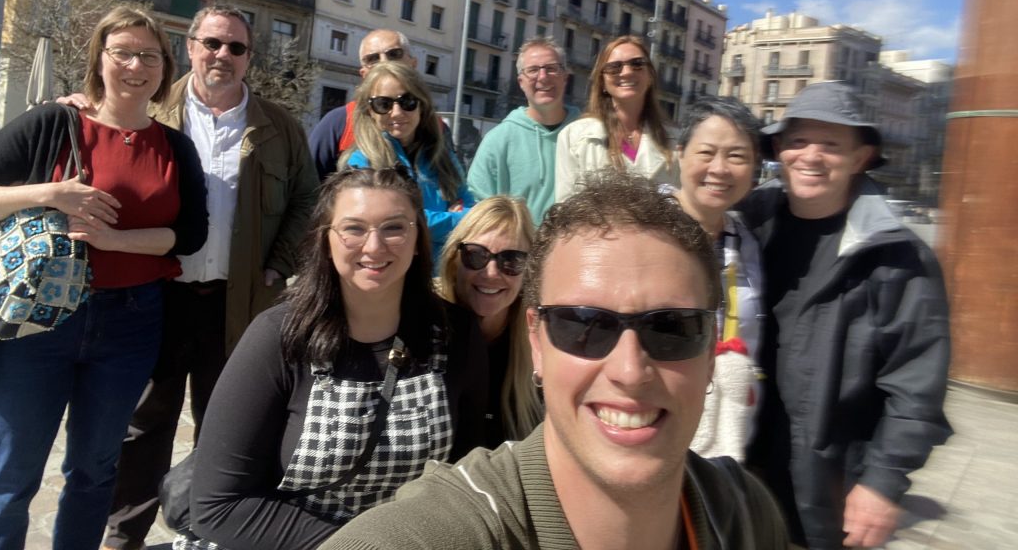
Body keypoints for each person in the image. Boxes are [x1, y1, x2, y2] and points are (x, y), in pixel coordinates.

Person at [322, 172, 788, 550]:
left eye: (671, 328)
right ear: (538, 341)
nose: (629, 370)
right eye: (584, 325)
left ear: (711, 352)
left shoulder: (744, 515)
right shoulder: (456, 525)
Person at [100, 5, 319, 550]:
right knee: (143, 422)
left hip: (240, 301)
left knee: (228, 427)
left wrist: (281, 263)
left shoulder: (279, 127)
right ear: (191, 45)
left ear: (249, 58)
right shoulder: (150, 113)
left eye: (236, 48)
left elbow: (308, 200)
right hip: (158, 296)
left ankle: (209, 532)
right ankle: (123, 534)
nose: (223, 55)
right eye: (213, 44)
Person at [180, 167, 487, 550]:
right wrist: (362, 547)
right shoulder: (278, 338)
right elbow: (217, 506)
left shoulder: (455, 334)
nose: (374, 247)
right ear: (326, 241)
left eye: (394, 228)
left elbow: (467, 475)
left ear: (418, 239)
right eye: (354, 229)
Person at [0, 6, 208, 550]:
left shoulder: (175, 147)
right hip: (40, 318)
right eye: (123, 53)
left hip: (131, 321)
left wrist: (115, 242)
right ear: (100, 59)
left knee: (94, 469)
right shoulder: (53, 123)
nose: (136, 66)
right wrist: (48, 193)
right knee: (11, 473)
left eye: (150, 55)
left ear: (164, 67)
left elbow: (189, 233)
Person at [741, 81, 952, 549]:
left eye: (831, 144)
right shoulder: (748, 224)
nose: (810, 156)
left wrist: (883, 483)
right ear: (778, 148)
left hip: (829, 488)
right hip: (739, 471)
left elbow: (916, 386)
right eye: (797, 141)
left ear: (860, 157)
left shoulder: (900, 257)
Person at [671, 96, 764, 461]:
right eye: (706, 153)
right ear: (680, 154)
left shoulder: (751, 242)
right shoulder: (641, 232)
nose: (720, 169)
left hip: (732, 448)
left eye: (737, 156)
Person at [437, 196, 542, 447]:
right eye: (476, 256)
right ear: (454, 259)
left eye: (511, 260)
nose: (492, 273)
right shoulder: (424, 326)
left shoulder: (540, 339)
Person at [344, 63, 474, 261]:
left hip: (443, 277)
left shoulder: (444, 158)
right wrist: (455, 219)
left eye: (407, 101)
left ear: (421, 105)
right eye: (383, 104)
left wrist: (426, 220)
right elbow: (398, 223)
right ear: (370, 110)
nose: (396, 112)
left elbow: (475, 213)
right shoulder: (362, 162)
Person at [466, 38, 580, 224]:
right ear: (521, 81)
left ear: (565, 77)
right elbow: (480, 208)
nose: (543, 77)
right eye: (533, 70)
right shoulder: (498, 140)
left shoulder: (588, 134)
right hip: (520, 252)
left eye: (551, 68)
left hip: (579, 251)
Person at [555, 35, 679, 201]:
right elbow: (565, 207)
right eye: (614, 67)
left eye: (637, 64)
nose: (627, 72)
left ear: (650, 76)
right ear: (602, 82)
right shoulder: (574, 137)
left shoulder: (676, 140)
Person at [309, 29, 417, 180]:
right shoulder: (339, 122)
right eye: (373, 59)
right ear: (364, 74)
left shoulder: (438, 128)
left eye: (394, 54)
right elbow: (308, 187)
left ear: (413, 63)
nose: (384, 62)